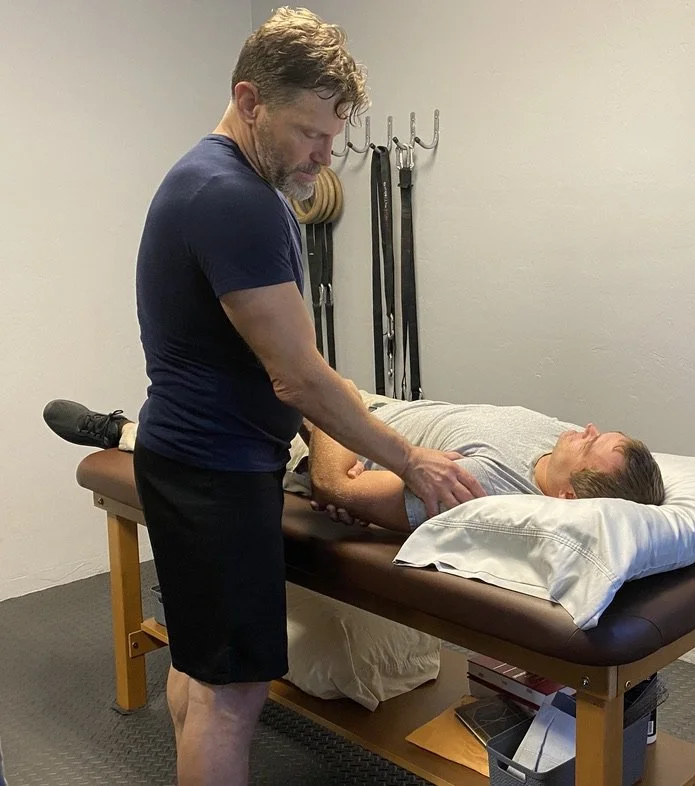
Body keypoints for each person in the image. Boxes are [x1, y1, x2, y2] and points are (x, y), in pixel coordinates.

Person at [114, 8, 485, 785]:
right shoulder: (234, 199)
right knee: (234, 697)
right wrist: (411, 460)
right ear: (250, 100)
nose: (325, 154)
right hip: (214, 478)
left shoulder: (215, 178)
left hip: (191, 464)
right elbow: (300, 377)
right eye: (310, 132)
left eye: (334, 134)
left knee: (205, 671)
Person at [44, 393, 666, 535]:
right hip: (358, 406)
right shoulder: (555, 439)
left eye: (590, 445)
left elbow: (334, 484)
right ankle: (139, 425)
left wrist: (327, 406)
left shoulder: (476, 490)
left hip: (318, 436)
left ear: (567, 500)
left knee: (215, 431)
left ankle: (124, 432)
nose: (582, 430)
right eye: (595, 431)